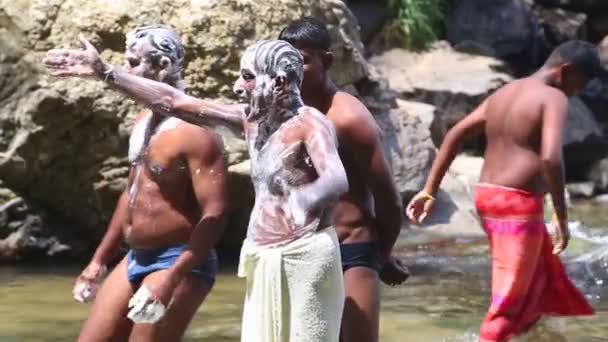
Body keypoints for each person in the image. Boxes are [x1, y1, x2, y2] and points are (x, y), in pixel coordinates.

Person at [45, 38, 349, 342]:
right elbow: (173, 102)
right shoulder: (251, 122)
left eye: (246, 77)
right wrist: (106, 72)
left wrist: (306, 197)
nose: (237, 86)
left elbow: (336, 178)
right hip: (263, 256)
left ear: (279, 82)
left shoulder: (311, 123)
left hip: (304, 255)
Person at [406, 40, 598, 341]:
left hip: (487, 196)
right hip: (516, 206)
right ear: (566, 71)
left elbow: (456, 133)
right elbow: (550, 157)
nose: (579, 92)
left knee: (541, 285)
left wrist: (430, 190)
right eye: (581, 83)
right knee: (507, 304)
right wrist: (561, 216)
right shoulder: (553, 97)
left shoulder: (506, 91)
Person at [50, 25, 228, 342]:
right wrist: (98, 261)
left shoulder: (196, 132)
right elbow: (131, 196)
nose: (125, 70)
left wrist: (172, 278)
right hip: (136, 256)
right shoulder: (143, 120)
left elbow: (217, 214)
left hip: (178, 259)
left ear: (162, 66)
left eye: (132, 62)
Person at [278, 17, 408, 342]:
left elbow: (389, 198)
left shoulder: (349, 118)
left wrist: (381, 254)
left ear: (328, 60)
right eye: (286, 61)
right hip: (300, 250)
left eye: (303, 61)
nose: (292, 70)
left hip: (350, 249)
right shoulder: (283, 114)